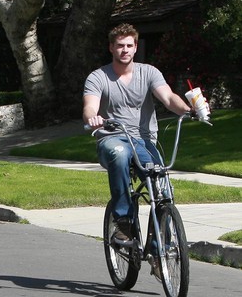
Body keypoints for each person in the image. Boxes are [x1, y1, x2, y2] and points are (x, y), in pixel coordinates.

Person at [82, 23, 191, 246]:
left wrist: (188, 110)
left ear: (135, 47)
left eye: (129, 45)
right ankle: (123, 222)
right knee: (120, 154)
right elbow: (89, 106)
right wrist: (92, 117)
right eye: (120, 45)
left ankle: (160, 247)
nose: (125, 50)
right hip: (112, 138)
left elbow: (169, 98)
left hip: (144, 141)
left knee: (161, 188)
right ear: (111, 47)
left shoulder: (149, 72)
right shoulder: (98, 77)